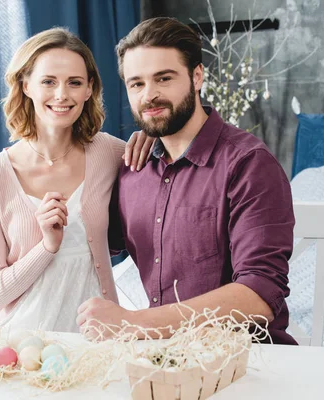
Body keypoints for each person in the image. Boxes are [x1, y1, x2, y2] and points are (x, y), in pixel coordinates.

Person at [76, 17, 297, 345]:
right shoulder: (131, 167)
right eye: (137, 84)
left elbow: (260, 294)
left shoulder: (249, 164)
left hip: (246, 363)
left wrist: (136, 323)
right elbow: (88, 245)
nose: (149, 95)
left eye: (163, 78)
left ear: (197, 76)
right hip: (162, 364)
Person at [0, 28, 154, 333]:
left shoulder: (110, 153)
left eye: (74, 83)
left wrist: (152, 136)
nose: (62, 95)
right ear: (25, 85)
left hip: (98, 341)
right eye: (49, 82)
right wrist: (47, 246)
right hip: (23, 347)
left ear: (88, 89)